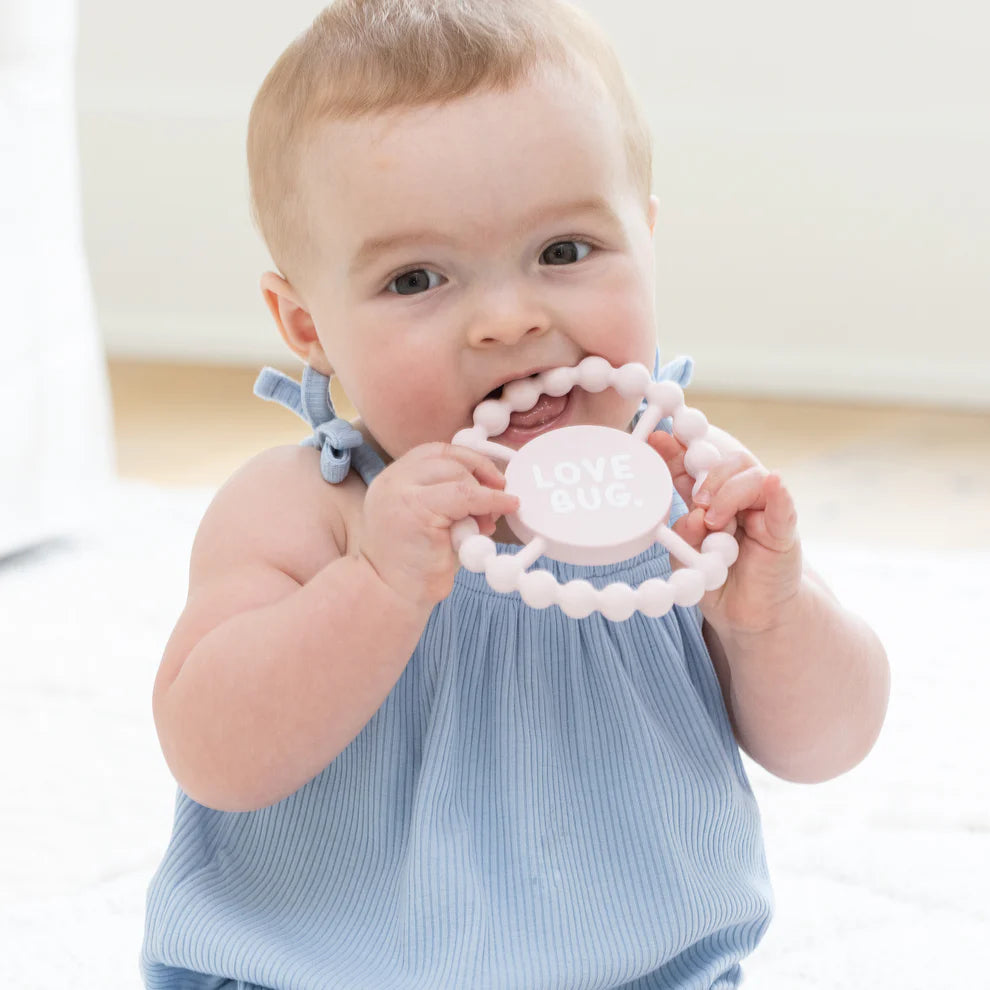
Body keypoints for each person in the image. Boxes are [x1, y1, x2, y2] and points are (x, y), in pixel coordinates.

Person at [141, 1, 890, 987]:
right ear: (307, 324)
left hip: (644, 972)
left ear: (648, 241)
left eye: (565, 252)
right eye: (416, 278)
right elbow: (214, 755)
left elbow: (831, 744)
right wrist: (377, 585)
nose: (508, 319)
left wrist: (771, 618)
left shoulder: (686, 490)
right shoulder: (307, 510)